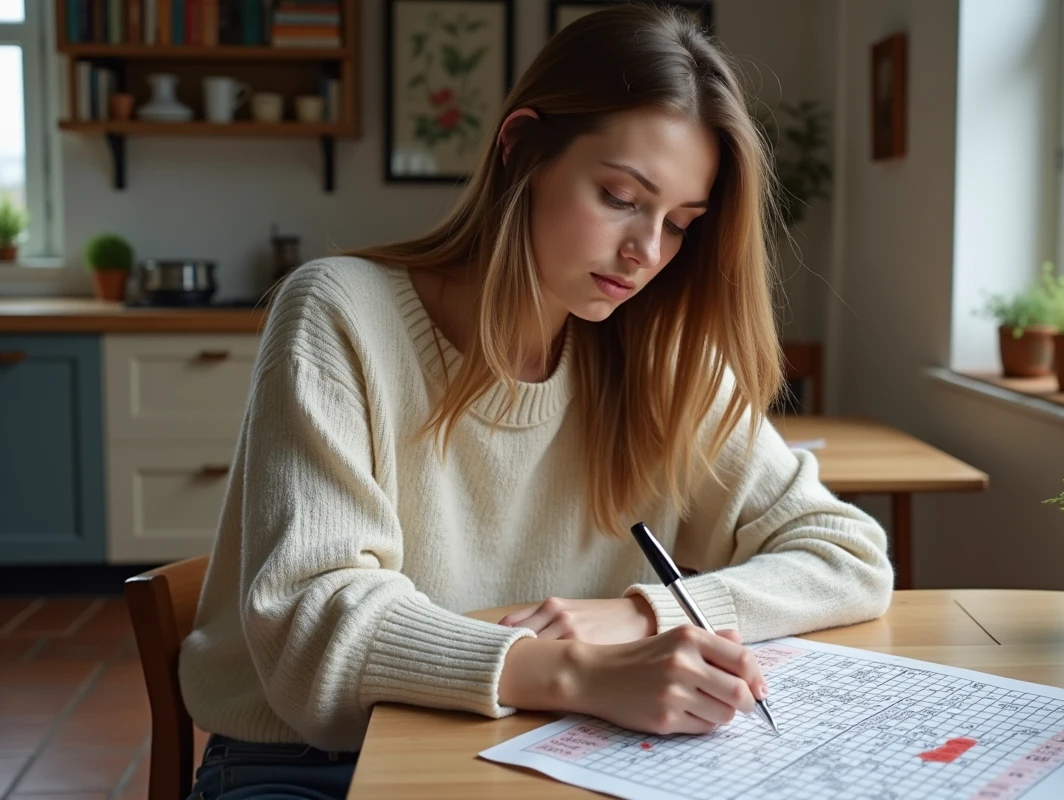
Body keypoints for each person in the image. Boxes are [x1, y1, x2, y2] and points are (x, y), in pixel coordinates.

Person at [179, 5, 893, 798]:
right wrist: (580, 673)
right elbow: (315, 629)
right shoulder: (340, 312)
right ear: (520, 147)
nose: (646, 252)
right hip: (313, 763)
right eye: (621, 196)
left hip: (543, 748)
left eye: (681, 224)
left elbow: (849, 556)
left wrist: (642, 616)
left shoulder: (658, 353)